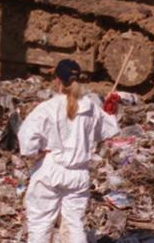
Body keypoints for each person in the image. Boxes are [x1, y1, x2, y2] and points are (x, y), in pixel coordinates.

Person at [18, 59, 121, 243]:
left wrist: (39, 151)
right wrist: (110, 110)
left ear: (57, 80)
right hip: (79, 174)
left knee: (40, 224)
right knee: (74, 225)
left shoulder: (47, 108)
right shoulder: (91, 107)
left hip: (50, 169)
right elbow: (108, 130)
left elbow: (27, 143)